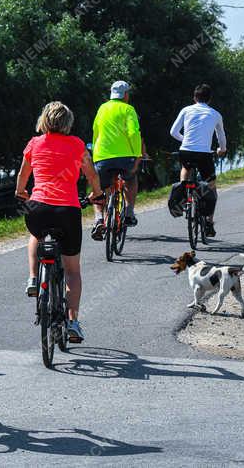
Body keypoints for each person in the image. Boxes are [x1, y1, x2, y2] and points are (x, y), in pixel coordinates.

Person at [15, 102, 103, 343]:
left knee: (36, 235)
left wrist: (21, 191)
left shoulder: (34, 143)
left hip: (39, 207)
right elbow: (92, 174)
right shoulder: (76, 145)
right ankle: (73, 322)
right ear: (68, 123)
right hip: (67, 210)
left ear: (44, 120)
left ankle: (33, 278)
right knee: (72, 270)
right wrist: (97, 194)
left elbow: (24, 173)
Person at [169, 83, 227, 237]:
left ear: (194, 98)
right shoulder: (215, 114)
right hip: (204, 154)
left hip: (186, 151)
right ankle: (208, 221)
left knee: (185, 168)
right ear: (210, 99)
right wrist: (222, 149)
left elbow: (173, 132)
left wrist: (185, 140)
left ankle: (183, 194)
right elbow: (221, 136)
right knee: (211, 185)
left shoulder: (186, 110)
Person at [90, 80, 146, 239]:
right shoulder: (129, 109)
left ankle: (99, 219)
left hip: (102, 157)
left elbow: (95, 132)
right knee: (130, 179)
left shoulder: (102, 108)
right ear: (126, 95)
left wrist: (95, 154)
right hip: (125, 157)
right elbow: (134, 133)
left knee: (99, 189)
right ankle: (129, 212)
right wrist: (137, 156)